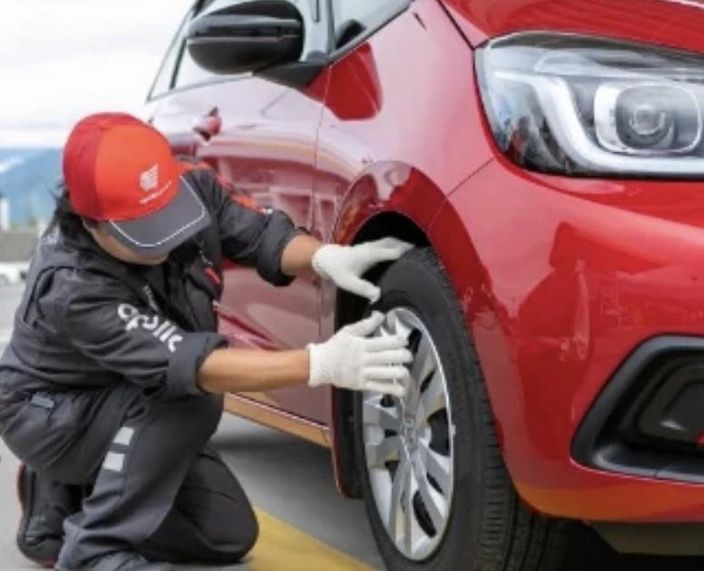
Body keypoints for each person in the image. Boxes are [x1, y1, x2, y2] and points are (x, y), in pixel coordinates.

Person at [0, 113, 414, 571]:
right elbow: (193, 365)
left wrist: (327, 258)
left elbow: (260, 236)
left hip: (125, 395)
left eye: (166, 216)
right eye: (143, 231)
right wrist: (320, 363)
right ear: (90, 222)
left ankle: (58, 499)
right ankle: (96, 549)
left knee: (225, 534)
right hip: (48, 411)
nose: (164, 239)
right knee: (189, 398)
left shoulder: (189, 185)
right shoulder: (75, 285)